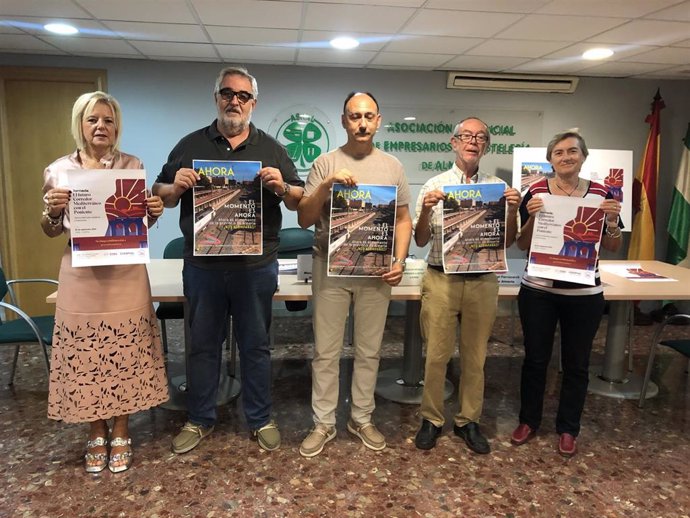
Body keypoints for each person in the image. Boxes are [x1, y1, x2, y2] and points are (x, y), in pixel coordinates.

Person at [153, 66, 304, 454]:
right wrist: (174, 187)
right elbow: (159, 193)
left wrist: (282, 186)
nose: (234, 101)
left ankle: (260, 418)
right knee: (203, 345)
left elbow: (299, 198)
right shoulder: (190, 145)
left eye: (243, 95)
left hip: (255, 267)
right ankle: (199, 418)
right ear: (216, 98)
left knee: (256, 345)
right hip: (204, 267)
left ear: (254, 102)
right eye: (227, 93)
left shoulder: (271, 148)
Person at [42, 91, 168, 473]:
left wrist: (154, 212)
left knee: (126, 351)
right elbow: (49, 230)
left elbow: (137, 225)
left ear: (117, 127)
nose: (101, 126)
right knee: (88, 355)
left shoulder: (133, 165)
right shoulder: (58, 170)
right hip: (81, 273)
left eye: (108, 120)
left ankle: (123, 429)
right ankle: (96, 429)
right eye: (93, 119)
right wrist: (51, 211)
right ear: (80, 124)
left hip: (125, 272)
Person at [297, 91, 412, 457]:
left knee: (369, 351)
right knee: (326, 352)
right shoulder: (324, 162)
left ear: (378, 121)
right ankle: (324, 423)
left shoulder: (392, 166)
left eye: (368, 116)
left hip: (375, 272)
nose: (362, 123)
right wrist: (328, 186)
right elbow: (304, 218)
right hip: (330, 269)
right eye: (354, 116)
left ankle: (361, 418)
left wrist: (400, 260)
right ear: (344, 121)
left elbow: (404, 219)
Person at [510, 130, 622, 457]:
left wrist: (613, 222)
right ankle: (528, 421)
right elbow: (522, 244)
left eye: (572, 151)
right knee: (535, 359)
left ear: (583, 156)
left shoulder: (602, 195)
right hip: (539, 292)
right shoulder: (536, 191)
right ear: (550, 160)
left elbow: (613, 246)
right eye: (558, 153)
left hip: (585, 295)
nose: (566, 157)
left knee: (577, 364)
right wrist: (531, 215)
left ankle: (568, 428)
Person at [412, 117, 520, 455]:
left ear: (486, 146)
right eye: (466, 136)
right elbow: (419, 239)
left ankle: (467, 421)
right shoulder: (434, 185)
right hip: (441, 279)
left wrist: (513, 212)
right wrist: (426, 211)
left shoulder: (497, 189)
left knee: (476, 357)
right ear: (453, 142)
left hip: (482, 281)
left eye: (480, 137)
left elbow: (509, 241)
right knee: (436, 356)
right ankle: (431, 419)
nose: (473, 141)